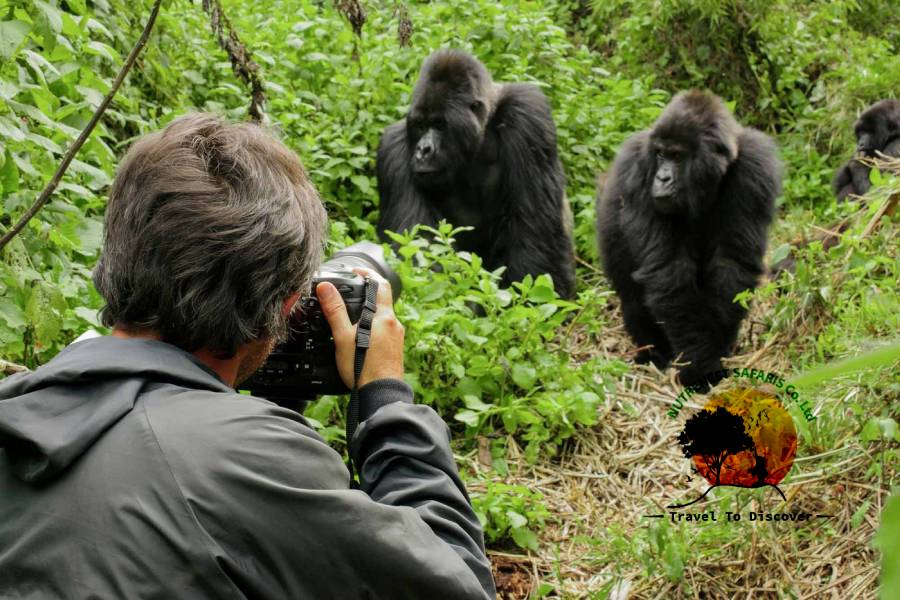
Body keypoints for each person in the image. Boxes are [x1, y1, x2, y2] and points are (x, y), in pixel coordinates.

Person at [0, 114, 496, 599]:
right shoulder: (249, 462)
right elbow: (460, 582)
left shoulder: (19, 409)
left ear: (114, 256)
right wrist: (386, 399)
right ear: (283, 307)